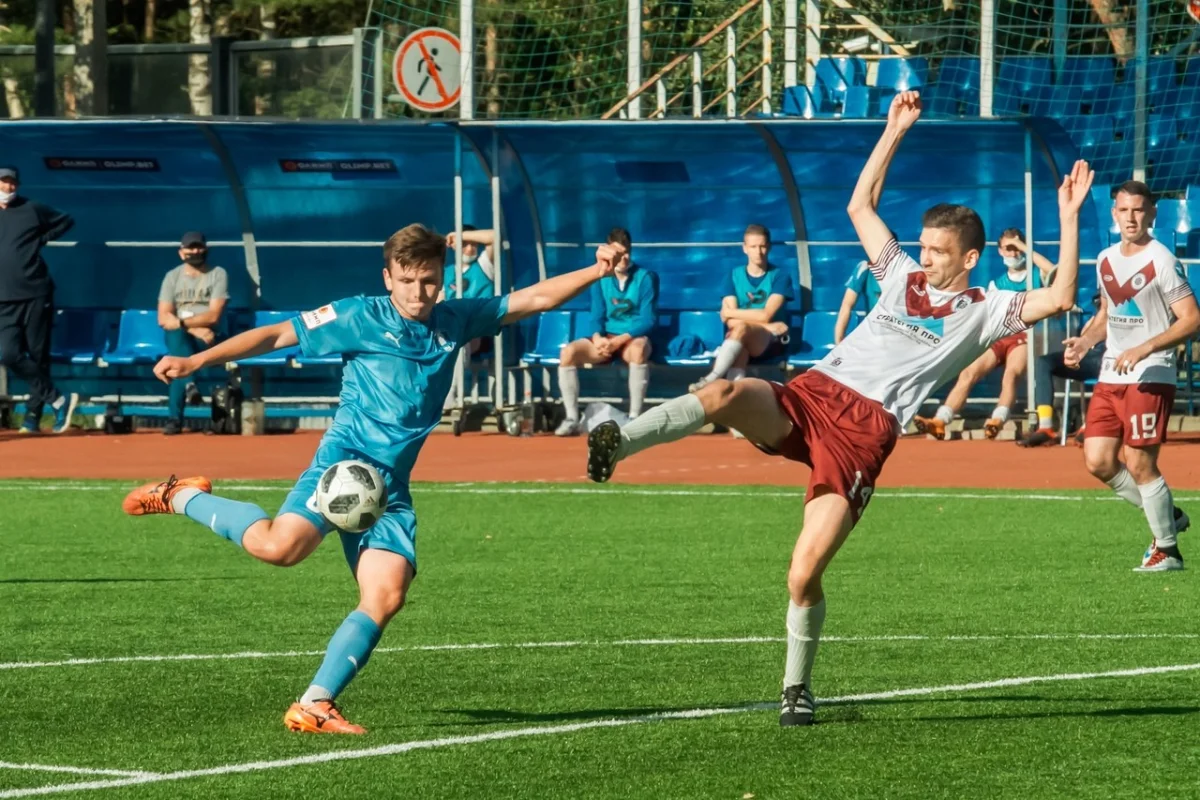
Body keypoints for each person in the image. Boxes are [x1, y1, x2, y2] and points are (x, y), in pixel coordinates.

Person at [584, 92, 1093, 726]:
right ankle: (620, 440)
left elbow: (1062, 295)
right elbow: (860, 205)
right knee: (723, 393)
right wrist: (893, 130)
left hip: (862, 434)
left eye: (937, 251)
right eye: (923, 247)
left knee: (803, 575)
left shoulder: (987, 309)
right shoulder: (899, 274)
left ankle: (796, 688)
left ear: (969, 258)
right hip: (814, 394)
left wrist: (1068, 215)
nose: (924, 257)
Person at [120, 224, 621, 734]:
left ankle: (314, 703)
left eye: (428, 280)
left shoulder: (455, 320)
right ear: (387, 278)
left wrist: (597, 271)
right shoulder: (357, 315)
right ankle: (181, 495)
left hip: (390, 488)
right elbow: (276, 335)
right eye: (406, 281)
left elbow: (534, 298)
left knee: (387, 594)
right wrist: (197, 359)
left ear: (442, 278)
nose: (418, 292)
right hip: (342, 468)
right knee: (278, 549)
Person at [1064, 180, 1200, 571]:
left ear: (1152, 213)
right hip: (1112, 373)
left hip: (1151, 373)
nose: (1131, 217)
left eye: (1138, 210)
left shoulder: (1161, 260)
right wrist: (1085, 342)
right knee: (1098, 461)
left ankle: (1168, 550)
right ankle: (1167, 515)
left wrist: (1145, 347)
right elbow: (1107, 314)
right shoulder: (1106, 259)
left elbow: (1191, 319)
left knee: (1139, 462)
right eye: (1124, 210)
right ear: (1114, 214)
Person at [913, 228, 1055, 440]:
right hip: (1000, 336)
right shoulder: (996, 284)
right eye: (1008, 248)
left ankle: (997, 419)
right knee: (968, 373)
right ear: (1000, 251)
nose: (1013, 253)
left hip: (1026, 336)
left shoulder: (1036, 275)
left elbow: (1054, 272)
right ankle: (940, 420)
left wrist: (1023, 246)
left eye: (1016, 249)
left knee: (1011, 374)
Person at [555, 227, 657, 435]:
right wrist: (598, 338)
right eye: (618, 253)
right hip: (607, 339)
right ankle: (572, 418)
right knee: (568, 353)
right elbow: (596, 315)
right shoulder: (600, 278)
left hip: (632, 338)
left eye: (626, 252)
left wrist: (619, 340)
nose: (623, 258)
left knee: (639, 351)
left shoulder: (646, 277)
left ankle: (634, 418)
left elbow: (648, 320)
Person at [0, 165, 78, 433]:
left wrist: (40, 240)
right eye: (3, 182)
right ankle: (58, 398)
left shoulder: (31, 208)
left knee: (38, 355)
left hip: (36, 293)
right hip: (3, 299)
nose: (8, 187)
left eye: (12, 183)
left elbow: (65, 220)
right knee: (8, 353)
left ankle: (32, 417)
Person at [688, 224, 795, 392]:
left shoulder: (780, 276)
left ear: (769, 247)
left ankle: (712, 379)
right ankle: (734, 396)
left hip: (771, 342)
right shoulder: (733, 276)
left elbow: (766, 315)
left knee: (741, 328)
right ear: (745, 248)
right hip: (743, 338)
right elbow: (730, 322)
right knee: (741, 345)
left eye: (762, 246)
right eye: (753, 247)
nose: (758, 252)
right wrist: (766, 325)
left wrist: (730, 312)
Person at [156, 232, 229, 435]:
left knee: (176, 357)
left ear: (206, 249)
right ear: (181, 252)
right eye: (190, 248)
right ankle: (189, 384)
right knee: (177, 344)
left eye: (199, 247)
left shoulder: (218, 274)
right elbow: (163, 317)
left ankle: (174, 418)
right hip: (185, 335)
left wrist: (181, 322)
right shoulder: (172, 276)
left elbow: (213, 316)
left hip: (210, 337)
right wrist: (192, 328)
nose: (195, 251)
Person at [1017, 291, 1104, 447]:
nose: (1100, 305)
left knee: (1108, 367)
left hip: (1116, 361)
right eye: (1098, 303)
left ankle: (1090, 425)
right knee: (1044, 362)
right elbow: (1085, 337)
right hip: (1092, 358)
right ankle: (1045, 427)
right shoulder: (1097, 318)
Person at [833, 258, 881, 344]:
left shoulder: (903, 269)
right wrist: (839, 342)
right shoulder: (864, 267)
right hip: (873, 335)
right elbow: (846, 305)